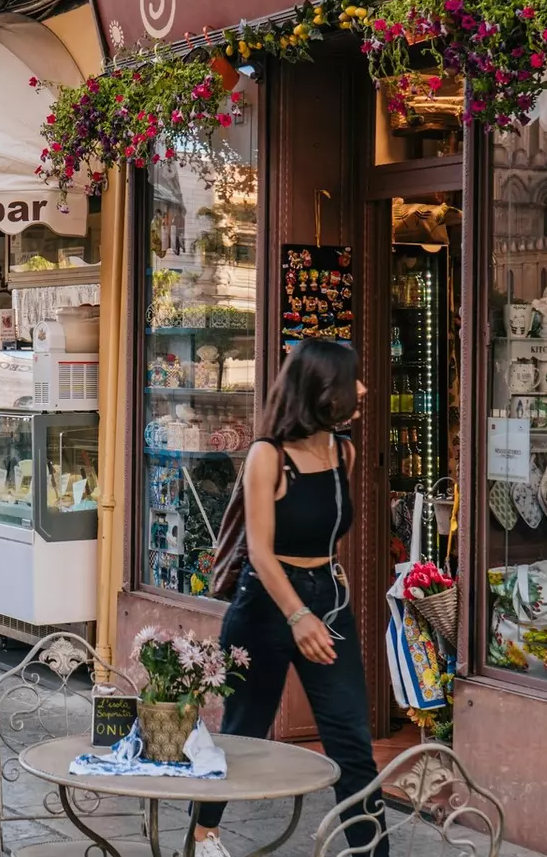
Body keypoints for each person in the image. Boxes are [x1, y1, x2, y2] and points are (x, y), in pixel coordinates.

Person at [192, 340, 383, 857]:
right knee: (241, 733)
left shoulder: (343, 450)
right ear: (322, 391)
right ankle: (204, 834)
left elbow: (328, 533)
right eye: (352, 379)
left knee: (351, 739)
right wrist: (297, 614)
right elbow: (259, 550)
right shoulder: (266, 457)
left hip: (328, 600)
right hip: (265, 606)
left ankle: (372, 852)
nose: (362, 388)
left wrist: (318, 603)